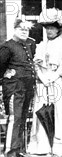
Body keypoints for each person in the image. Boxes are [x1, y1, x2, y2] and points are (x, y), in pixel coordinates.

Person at [27, 8, 62, 155]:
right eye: (47, 28)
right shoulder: (42, 45)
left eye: (52, 28)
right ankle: (42, 145)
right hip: (43, 83)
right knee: (43, 111)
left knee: (60, 112)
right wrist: (43, 78)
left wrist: (52, 77)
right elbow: (36, 65)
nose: (49, 31)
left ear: (58, 30)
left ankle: (60, 145)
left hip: (59, 82)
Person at [0, 19, 36, 157]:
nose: (24, 31)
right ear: (14, 29)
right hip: (14, 88)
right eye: (21, 29)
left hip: (27, 88)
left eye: (26, 29)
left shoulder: (28, 45)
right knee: (15, 118)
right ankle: (10, 151)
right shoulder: (7, 47)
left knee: (22, 118)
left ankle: (18, 149)